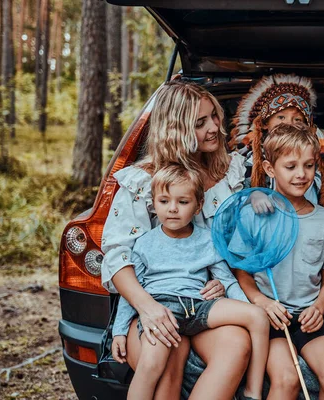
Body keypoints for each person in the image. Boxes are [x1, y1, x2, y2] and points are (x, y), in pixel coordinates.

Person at [101, 80, 255, 399]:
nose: (214, 127)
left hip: (203, 303)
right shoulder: (144, 181)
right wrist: (148, 308)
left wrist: (221, 282)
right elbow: (119, 259)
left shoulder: (232, 172)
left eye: (214, 116)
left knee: (238, 344)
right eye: (200, 123)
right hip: (153, 300)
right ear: (175, 130)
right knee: (170, 357)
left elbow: (236, 250)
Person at [110, 165, 270, 400]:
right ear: (154, 203)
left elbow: (227, 280)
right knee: (152, 362)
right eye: (164, 201)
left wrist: (246, 305)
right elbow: (132, 289)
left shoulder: (208, 240)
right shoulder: (144, 243)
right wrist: (119, 331)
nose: (173, 209)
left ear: (198, 205)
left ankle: (252, 392)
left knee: (258, 317)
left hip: (199, 306)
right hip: (162, 309)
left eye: (182, 202)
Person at [234, 123, 324, 400]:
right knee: (286, 380)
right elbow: (242, 273)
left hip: (310, 316)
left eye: (308, 166)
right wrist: (262, 302)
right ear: (270, 170)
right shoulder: (253, 216)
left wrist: (320, 307)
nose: (301, 174)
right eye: (291, 166)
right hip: (270, 319)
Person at [229, 74, 324, 208]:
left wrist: (315, 131)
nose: (289, 124)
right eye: (281, 117)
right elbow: (238, 193)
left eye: (297, 120)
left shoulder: (313, 158)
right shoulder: (255, 159)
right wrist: (254, 194)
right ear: (265, 124)